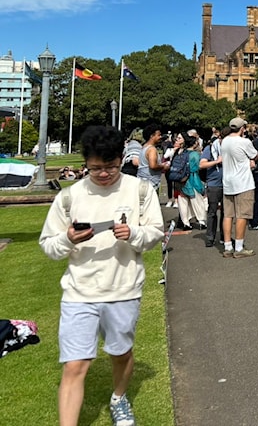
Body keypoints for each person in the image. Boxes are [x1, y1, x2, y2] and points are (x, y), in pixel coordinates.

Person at [39, 125, 164, 426]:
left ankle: (119, 397)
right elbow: (48, 245)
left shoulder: (140, 190)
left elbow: (155, 233)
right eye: (96, 168)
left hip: (123, 289)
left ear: (121, 159)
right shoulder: (70, 197)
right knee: (75, 366)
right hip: (79, 292)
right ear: (86, 164)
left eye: (110, 167)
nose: (104, 174)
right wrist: (68, 239)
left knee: (120, 353)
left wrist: (133, 233)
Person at [220, 117, 258, 259]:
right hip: (243, 182)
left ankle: (227, 246)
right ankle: (239, 247)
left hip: (228, 181)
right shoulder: (244, 142)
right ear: (242, 128)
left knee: (228, 215)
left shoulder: (225, 141)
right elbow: (255, 155)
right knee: (243, 215)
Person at [177, 133, 207, 231]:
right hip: (193, 178)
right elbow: (198, 167)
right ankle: (201, 221)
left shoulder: (181, 153)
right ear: (194, 144)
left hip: (181, 180)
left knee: (183, 201)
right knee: (197, 201)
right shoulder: (196, 154)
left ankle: (185, 222)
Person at [199, 129, 225, 248]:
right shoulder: (209, 149)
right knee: (212, 212)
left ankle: (225, 237)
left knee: (226, 213)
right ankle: (210, 237)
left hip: (227, 183)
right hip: (213, 184)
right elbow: (202, 164)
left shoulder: (228, 149)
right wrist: (217, 161)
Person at [136, 125, 167, 192]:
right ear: (152, 136)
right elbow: (153, 166)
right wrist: (163, 166)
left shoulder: (144, 147)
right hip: (151, 184)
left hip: (142, 181)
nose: (160, 137)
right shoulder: (151, 149)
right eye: (158, 135)